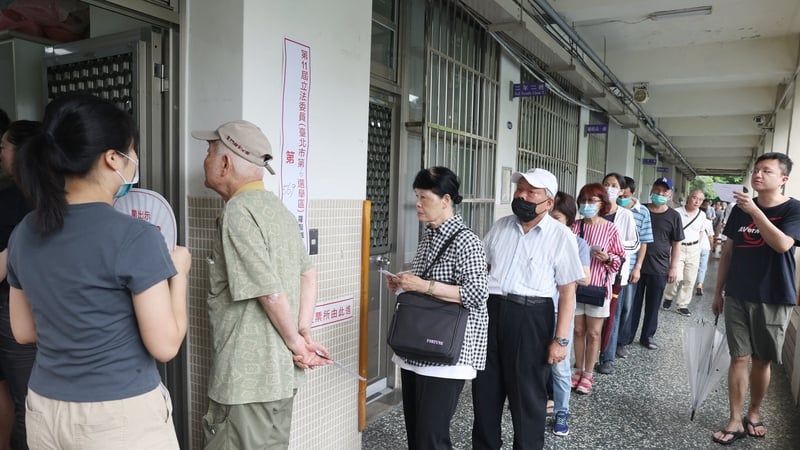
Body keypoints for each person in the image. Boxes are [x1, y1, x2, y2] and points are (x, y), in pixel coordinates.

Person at [6, 94, 190, 448]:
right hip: (117, 417)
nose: (134, 160)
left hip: (45, 410)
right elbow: (165, 345)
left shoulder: (25, 232)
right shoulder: (135, 237)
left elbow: (24, 331)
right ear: (112, 158)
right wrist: (178, 273)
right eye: (131, 151)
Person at [193, 120, 330, 450]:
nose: (206, 160)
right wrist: (303, 334)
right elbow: (307, 273)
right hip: (280, 377)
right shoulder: (278, 211)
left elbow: (269, 291)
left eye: (210, 152)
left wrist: (299, 344)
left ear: (225, 164)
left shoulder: (238, 212)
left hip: (246, 381)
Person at [472, 168, 584, 450]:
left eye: (530, 192)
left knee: (528, 400)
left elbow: (568, 293)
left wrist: (560, 340)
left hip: (532, 317)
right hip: (492, 311)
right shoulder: (500, 226)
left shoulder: (561, 236)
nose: (521, 195)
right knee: (485, 394)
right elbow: (483, 269)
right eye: (519, 189)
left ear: (549, 201)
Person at [384, 166, 488, 449]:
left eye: (424, 197)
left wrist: (422, 286)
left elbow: (478, 293)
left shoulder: (467, 241)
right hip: (418, 347)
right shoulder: (429, 235)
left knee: (431, 436)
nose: (417, 204)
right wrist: (404, 284)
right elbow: (425, 283)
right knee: (417, 434)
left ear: (446, 200)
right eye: (416, 196)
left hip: (446, 353)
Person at [711, 153, 800, 445]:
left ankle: (754, 411)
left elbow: (782, 244)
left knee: (762, 360)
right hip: (738, 292)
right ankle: (735, 419)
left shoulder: (794, 210)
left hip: (774, 295)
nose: (758, 175)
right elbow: (727, 252)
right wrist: (718, 291)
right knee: (739, 356)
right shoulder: (739, 210)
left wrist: (755, 211)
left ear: (783, 179)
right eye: (756, 170)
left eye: (767, 171)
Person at [0, 121, 40, 450]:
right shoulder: (60, 195)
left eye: (4, 147)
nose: (1, 154)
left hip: (15, 310)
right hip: (36, 307)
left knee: (28, 403)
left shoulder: (14, 202)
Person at [569, 183, 624, 394]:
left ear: (602, 204)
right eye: (583, 201)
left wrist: (608, 258)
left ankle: (588, 374)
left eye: (592, 201)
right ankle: (578, 369)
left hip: (599, 287)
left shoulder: (610, 228)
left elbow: (619, 259)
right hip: (576, 287)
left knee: (593, 333)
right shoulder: (575, 226)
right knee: (578, 330)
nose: (586, 205)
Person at [547, 191, 590, 437]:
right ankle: (539, 403)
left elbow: (585, 277)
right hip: (535, 310)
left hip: (559, 311)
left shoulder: (577, 243)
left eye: (558, 218)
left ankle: (562, 411)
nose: (552, 223)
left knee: (560, 367)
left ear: (569, 221)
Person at [625, 177, 684, 350]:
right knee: (632, 304)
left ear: (670, 195)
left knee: (653, 305)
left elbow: (676, 244)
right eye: (657, 190)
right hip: (636, 265)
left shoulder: (674, 216)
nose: (660, 194)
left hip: (659, 268)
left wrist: (674, 267)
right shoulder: (640, 210)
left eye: (664, 191)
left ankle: (647, 336)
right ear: (651, 191)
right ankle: (627, 336)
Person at [597, 173, 639, 375]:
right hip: (594, 272)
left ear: (622, 191)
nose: (609, 188)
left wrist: (613, 249)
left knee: (611, 316)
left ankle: (607, 357)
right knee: (592, 317)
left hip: (615, 274)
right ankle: (588, 356)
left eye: (614, 185)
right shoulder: (595, 211)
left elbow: (634, 243)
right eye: (606, 184)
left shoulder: (626, 215)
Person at [614, 177, 653, 358]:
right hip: (607, 266)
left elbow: (644, 242)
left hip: (628, 267)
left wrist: (637, 267)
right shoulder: (608, 207)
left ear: (632, 193)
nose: (622, 198)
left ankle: (621, 342)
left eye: (626, 195)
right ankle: (605, 342)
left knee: (626, 307)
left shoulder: (642, 212)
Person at [662, 189, 707, 317]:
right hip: (678, 248)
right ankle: (668, 297)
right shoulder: (676, 212)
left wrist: (698, 245)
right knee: (676, 277)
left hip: (694, 249)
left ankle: (683, 305)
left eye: (700, 199)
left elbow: (701, 231)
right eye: (694, 198)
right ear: (688, 197)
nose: (697, 201)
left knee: (690, 279)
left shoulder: (702, 215)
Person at [694, 215, 715, 296]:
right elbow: (711, 237)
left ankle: (690, 283)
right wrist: (712, 247)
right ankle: (700, 284)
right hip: (706, 247)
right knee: (703, 267)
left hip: (695, 246)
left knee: (693, 266)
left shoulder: (695, 219)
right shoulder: (709, 222)